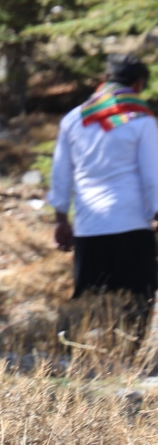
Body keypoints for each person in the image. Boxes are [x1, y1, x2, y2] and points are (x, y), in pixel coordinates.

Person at [49, 53, 158, 336]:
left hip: (89, 226)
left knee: (89, 303)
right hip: (132, 224)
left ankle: (86, 355)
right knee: (137, 302)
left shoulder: (74, 119)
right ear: (138, 84)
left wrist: (61, 219)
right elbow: (153, 176)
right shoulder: (141, 120)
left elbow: (61, 174)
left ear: (105, 79)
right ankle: (127, 356)